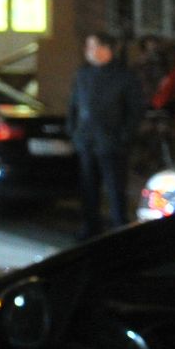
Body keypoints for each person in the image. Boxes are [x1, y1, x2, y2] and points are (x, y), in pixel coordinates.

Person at [68, 33, 145, 237]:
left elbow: (135, 110)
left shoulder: (124, 76)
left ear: (105, 49)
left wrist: (124, 136)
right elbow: (74, 105)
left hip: (112, 142)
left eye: (92, 46)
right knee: (88, 187)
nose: (88, 51)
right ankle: (90, 226)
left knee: (114, 187)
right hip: (87, 141)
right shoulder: (83, 74)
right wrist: (74, 132)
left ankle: (119, 228)